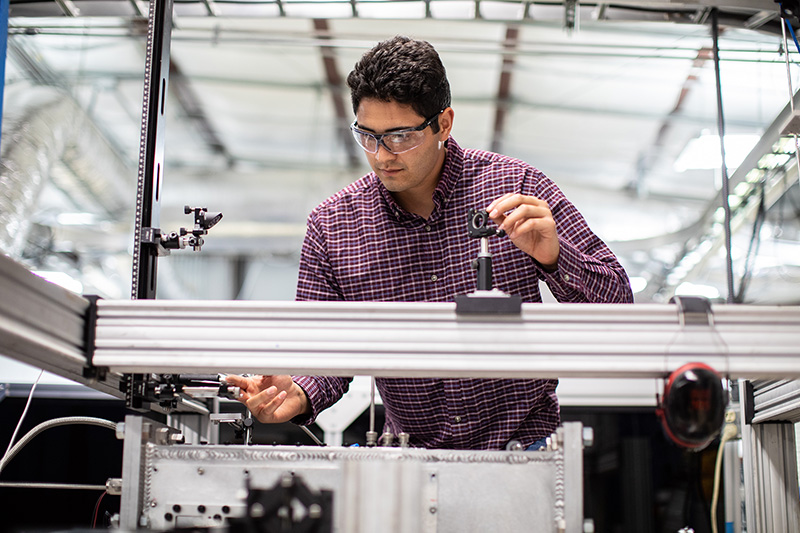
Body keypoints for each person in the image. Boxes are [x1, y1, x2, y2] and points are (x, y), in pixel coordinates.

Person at [227, 36, 633, 450]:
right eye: (367, 136)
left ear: (443, 123)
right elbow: (321, 350)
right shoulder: (334, 225)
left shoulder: (517, 188)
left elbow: (618, 308)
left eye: (401, 136)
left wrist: (556, 259)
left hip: (523, 451)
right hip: (409, 462)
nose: (382, 155)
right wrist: (298, 392)